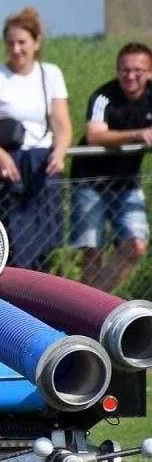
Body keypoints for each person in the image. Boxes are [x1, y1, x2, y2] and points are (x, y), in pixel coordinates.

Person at [0, 6, 72, 272]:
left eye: (22, 42)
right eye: (11, 43)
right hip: (8, 165)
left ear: (36, 43)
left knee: (44, 245)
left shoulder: (51, 74)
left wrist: (60, 151)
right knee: (11, 245)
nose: (16, 49)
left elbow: (62, 124)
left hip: (41, 164)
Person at [70, 42, 152, 293]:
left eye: (137, 70)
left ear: (149, 72)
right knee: (93, 251)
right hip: (89, 181)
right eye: (124, 70)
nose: (130, 76)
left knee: (136, 245)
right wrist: (138, 135)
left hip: (127, 183)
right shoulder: (103, 97)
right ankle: (87, 312)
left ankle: (90, 304)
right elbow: (94, 135)